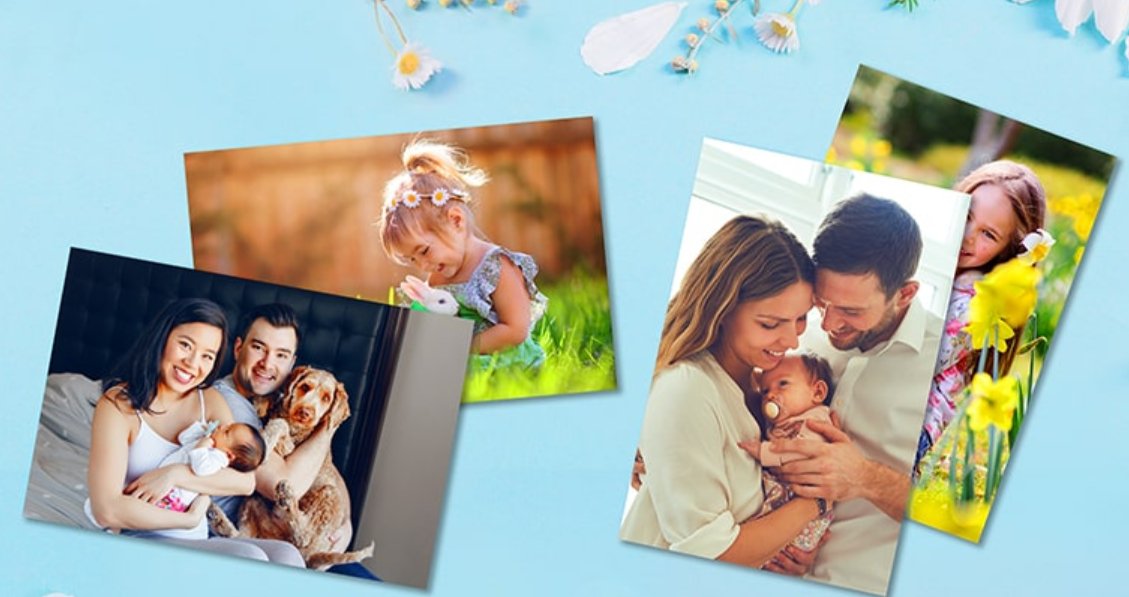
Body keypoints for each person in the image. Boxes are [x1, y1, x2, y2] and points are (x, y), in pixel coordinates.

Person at [620, 215, 830, 570]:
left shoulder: (762, 384)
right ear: (722, 309)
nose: (792, 340)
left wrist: (794, 551)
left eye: (800, 319)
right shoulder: (687, 389)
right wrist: (816, 504)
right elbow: (712, 555)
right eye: (769, 324)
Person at [769, 193, 939, 595]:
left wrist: (865, 478)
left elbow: (960, 516)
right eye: (821, 302)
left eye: (851, 311)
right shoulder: (802, 333)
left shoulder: (955, 367)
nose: (828, 324)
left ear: (906, 293)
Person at [85, 298, 304, 566]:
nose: (192, 363)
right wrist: (186, 519)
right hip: (140, 534)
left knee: (287, 555)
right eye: (185, 345)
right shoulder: (119, 405)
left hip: (195, 538)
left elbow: (244, 482)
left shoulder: (209, 401)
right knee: (247, 558)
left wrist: (174, 475)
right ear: (163, 338)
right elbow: (106, 509)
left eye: (207, 356)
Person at [211, 303, 380, 580]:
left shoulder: (277, 402)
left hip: (296, 537)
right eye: (258, 348)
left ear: (292, 365)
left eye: (281, 355)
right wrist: (328, 423)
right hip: (251, 535)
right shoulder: (233, 407)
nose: (268, 363)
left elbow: (328, 471)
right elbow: (287, 486)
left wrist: (346, 521)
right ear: (238, 347)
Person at [916, 160, 1047, 466]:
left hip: (911, 429)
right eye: (967, 215)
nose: (968, 235)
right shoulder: (931, 259)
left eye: (989, 234)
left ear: (1007, 251)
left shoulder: (980, 304)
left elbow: (924, 358)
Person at [376, 139, 548, 371]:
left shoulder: (496, 266)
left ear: (456, 220)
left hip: (505, 357)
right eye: (412, 260)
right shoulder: (438, 275)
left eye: (424, 251)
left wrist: (462, 348)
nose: (423, 266)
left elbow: (516, 329)